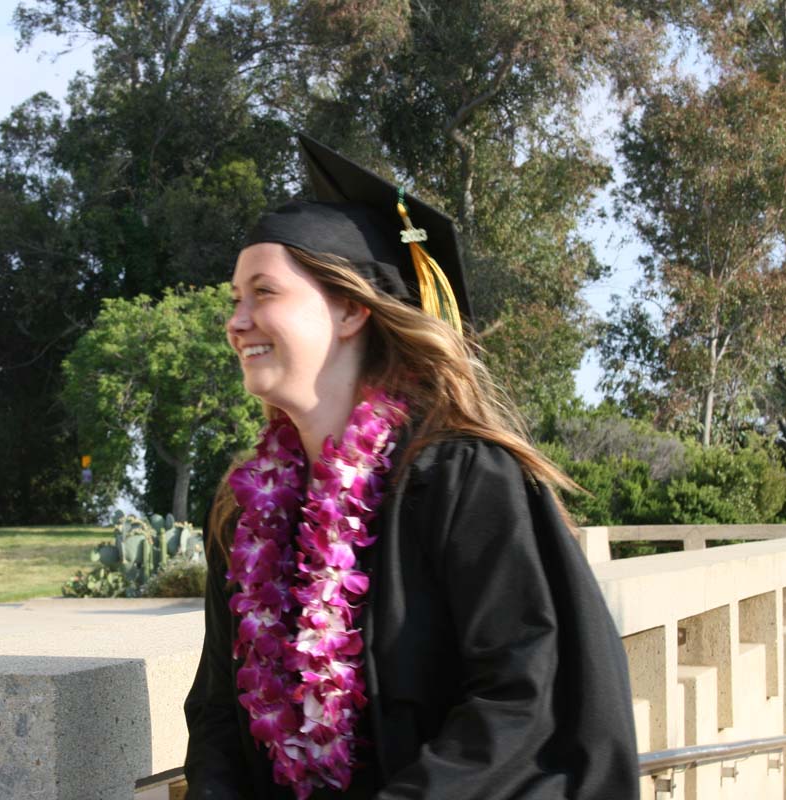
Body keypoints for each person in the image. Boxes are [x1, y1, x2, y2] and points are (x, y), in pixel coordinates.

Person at [183, 134, 640, 800]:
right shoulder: (243, 511)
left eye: (263, 293)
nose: (237, 320)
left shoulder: (462, 479)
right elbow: (220, 712)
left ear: (349, 309)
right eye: (235, 298)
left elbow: (521, 701)